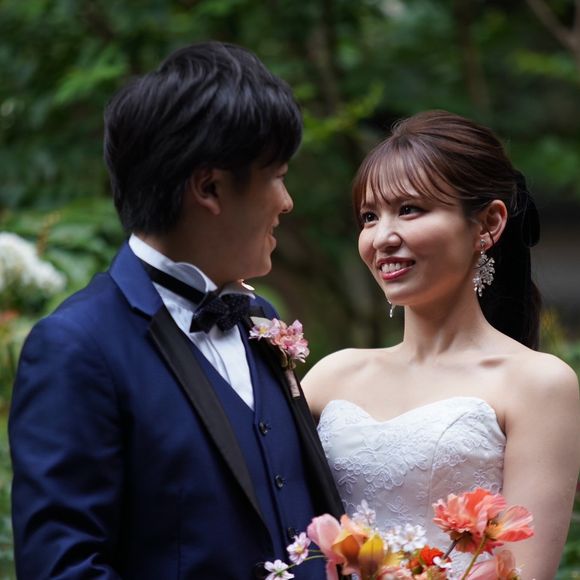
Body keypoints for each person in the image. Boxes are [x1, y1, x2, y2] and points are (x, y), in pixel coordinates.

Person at [9, 41, 344, 579]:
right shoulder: (76, 346)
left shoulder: (260, 316)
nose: (287, 202)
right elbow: (64, 569)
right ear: (209, 187)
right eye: (278, 176)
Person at [303, 110, 580, 579]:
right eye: (369, 217)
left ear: (488, 223)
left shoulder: (538, 383)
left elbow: (524, 571)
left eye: (410, 209)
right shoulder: (332, 375)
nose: (382, 237)